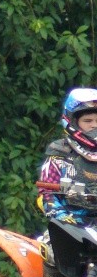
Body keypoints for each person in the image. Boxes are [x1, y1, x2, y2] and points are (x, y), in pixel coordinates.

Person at [38, 87, 97, 224]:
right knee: (48, 245)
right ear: (73, 122)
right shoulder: (60, 153)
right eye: (88, 121)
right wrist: (62, 217)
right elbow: (46, 192)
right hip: (70, 227)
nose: (94, 125)